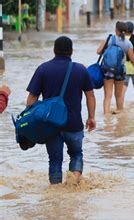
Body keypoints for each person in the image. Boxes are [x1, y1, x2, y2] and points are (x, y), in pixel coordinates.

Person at [25, 36, 97, 185]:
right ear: (71, 51)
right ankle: (73, 183)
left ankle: (56, 197)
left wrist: (31, 121)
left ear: (54, 50)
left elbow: (31, 99)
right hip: (74, 123)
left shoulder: (43, 69)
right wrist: (91, 117)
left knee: (55, 160)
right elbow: (90, 95)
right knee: (76, 154)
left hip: (51, 125)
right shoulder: (80, 70)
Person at [96, 22, 134, 115]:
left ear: (116, 29)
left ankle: (107, 118)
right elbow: (133, 60)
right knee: (118, 96)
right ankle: (120, 116)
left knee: (107, 96)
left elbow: (98, 52)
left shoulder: (109, 39)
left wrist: (103, 43)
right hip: (120, 71)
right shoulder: (127, 43)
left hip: (107, 70)